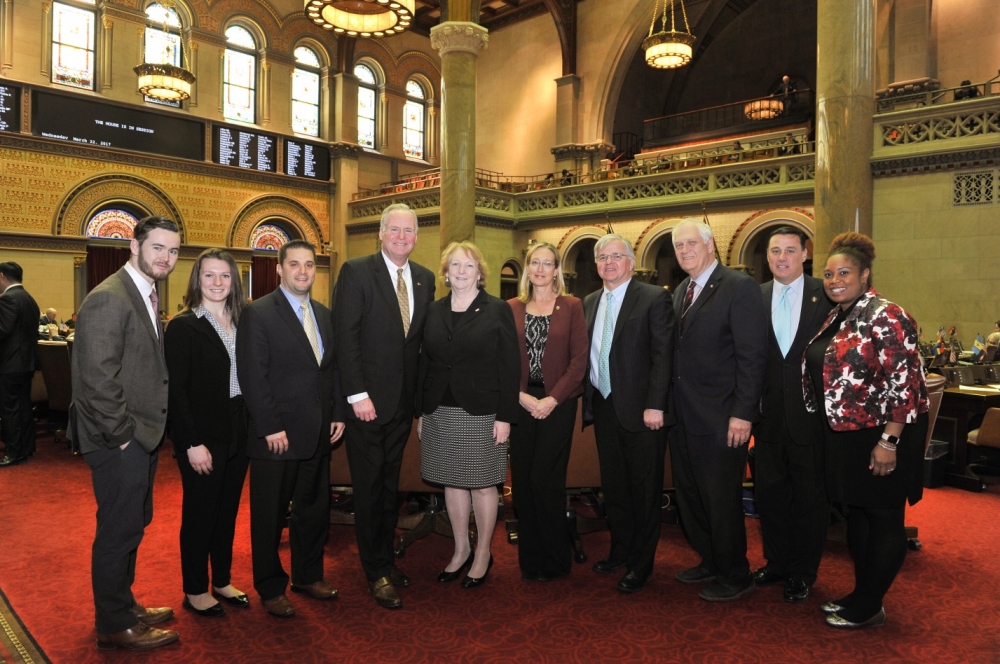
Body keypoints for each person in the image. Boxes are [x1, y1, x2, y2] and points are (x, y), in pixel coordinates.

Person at [804, 232, 928, 629]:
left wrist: (889, 442)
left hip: (884, 433)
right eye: (828, 273)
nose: (834, 279)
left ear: (865, 274)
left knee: (884, 517)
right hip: (848, 434)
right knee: (859, 516)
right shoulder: (839, 313)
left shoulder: (886, 314)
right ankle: (862, 593)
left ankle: (871, 605)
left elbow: (906, 385)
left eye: (844, 272)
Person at [70, 216, 181, 650]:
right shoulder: (110, 297)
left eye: (172, 251)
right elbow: (97, 377)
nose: (166, 258)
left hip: (138, 434)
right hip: (119, 438)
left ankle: (123, 602)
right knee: (118, 529)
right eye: (157, 248)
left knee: (134, 522)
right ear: (133, 246)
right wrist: (122, 436)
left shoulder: (144, 293)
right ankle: (114, 623)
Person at [332, 203, 435, 610]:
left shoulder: (425, 280)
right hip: (366, 406)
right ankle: (375, 571)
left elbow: (421, 348)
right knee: (370, 488)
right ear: (380, 233)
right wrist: (357, 395)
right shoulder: (357, 272)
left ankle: (386, 560)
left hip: (402, 406)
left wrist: (421, 405)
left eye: (409, 231)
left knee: (390, 489)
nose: (402, 237)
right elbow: (346, 336)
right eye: (395, 230)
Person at [236, 240, 346, 618]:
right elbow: (252, 375)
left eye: (309, 265)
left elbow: (329, 370)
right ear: (279, 269)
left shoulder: (324, 314)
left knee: (312, 511)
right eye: (294, 264)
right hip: (276, 437)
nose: (303, 271)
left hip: (318, 432)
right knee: (269, 515)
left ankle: (308, 575)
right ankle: (269, 587)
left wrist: (338, 413)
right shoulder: (259, 313)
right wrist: (269, 427)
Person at [669, 218, 768, 602]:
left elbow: (752, 356)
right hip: (683, 416)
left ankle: (735, 573)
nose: (685, 251)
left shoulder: (739, 287)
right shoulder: (681, 290)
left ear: (711, 245)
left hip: (723, 418)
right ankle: (710, 560)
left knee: (721, 499)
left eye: (691, 243)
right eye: (678, 246)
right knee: (691, 496)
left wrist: (743, 413)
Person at [417, 241, 519, 589]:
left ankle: (483, 553)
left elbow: (509, 366)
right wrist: (420, 412)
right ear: (446, 272)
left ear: (480, 273)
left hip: (480, 412)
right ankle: (460, 549)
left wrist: (505, 416)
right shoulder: (434, 310)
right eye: (455, 265)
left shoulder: (496, 309)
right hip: (439, 410)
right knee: (452, 481)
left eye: (469, 266)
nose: (461, 271)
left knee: (483, 486)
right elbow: (425, 363)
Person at [582, 233, 674, 594]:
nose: (609, 262)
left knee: (644, 491)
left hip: (643, 411)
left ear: (631, 262)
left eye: (616, 256)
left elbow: (662, 356)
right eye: (602, 257)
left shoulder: (653, 298)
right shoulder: (588, 301)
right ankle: (619, 549)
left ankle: (642, 563)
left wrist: (656, 404)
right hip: (604, 407)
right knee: (615, 488)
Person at [164, 249, 251, 618]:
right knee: (201, 513)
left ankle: (222, 580)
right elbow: (175, 391)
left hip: (239, 428)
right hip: (202, 432)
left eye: (225, 276)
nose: (217, 283)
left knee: (227, 511)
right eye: (209, 276)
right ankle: (195, 588)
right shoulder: (184, 326)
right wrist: (191, 443)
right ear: (196, 279)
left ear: (235, 281)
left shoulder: (244, 321)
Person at [751, 227, 833, 603]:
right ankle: (777, 562)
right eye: (774, 251)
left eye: (789, 250)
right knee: (770, 497)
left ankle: (803, 572)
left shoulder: (827, 295)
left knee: (809, 501)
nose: (781, 257)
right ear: (767, 257)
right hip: (766, 419)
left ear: (805, 254)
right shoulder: (755, 296)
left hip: (811, 420)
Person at [507, 242, 588, 582]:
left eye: (547, 263)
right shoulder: (510, 307)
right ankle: (531, 560)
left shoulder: (571, 306)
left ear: (557, 270)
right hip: (521, 403)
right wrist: (521, 396)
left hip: (558, 403)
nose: (540, 269)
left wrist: (552, 400)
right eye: (534, 263)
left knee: (546, 479)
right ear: (527, 268)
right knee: (523, 482)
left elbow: (579, 361)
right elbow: (501, 361)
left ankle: (556, 559)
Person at [0, 262, 40, 467]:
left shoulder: (8, 298)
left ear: (2, 276)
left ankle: (14, 452)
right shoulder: (29, 299)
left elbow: (3, 330)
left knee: (9, 409)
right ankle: (26, 449)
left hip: (10, 363)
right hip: (26, 363)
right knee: (23, 406)